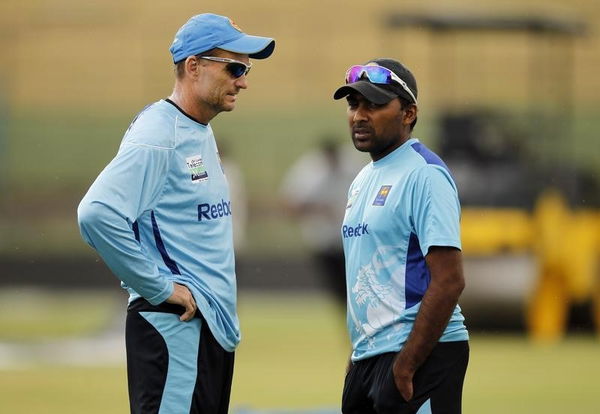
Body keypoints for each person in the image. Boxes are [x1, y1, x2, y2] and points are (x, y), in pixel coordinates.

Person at [77, 13, 274, 414]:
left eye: (246, 68)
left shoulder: (197, 128)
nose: (243, 79)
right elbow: (96, 214)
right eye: (234, 67)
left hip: (205, 332)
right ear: (194, 67)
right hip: (175, 328)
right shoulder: (159, 135)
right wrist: (160, 288)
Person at [332, 58, 469, 413]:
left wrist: (406, 365)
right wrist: (357, 358)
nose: (359, 115)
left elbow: (450, 281)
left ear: (408, 113)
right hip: (369, 358)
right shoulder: (363, 179)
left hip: (419, 357)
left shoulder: (426, 175)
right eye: (353, 104)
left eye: (374, 105)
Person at [280, 136, 365, 307]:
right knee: (341, 292)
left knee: (360, 291)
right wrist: (319, 208)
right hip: (324, 241)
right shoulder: (309, 172)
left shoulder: (353, 166)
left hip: (355, 240)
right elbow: (289, 205)